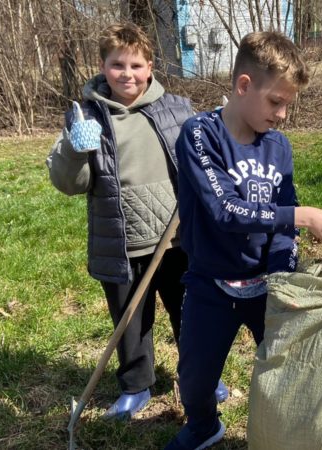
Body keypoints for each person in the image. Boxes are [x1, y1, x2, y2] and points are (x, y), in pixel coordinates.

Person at [165, 31, 322, 449]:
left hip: (266, 286)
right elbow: (226, 211)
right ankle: (203, 426)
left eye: (288, 105)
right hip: (210, 282)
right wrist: (302, 216)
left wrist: (283, 276)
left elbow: (283, 222)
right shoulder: (199, 135)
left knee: (291, 369)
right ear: (244, 85)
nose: (282, 114)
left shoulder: (278, 147)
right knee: (195, 376)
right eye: (276, 102)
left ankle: (290, 433)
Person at [45, 22, 228, 421]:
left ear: (150, 68)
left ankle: (203, 375)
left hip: (178, 238)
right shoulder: (87, 116)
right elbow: (69, 184)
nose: (127, 73)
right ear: (102, 66)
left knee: (191, 313)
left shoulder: (175, 108)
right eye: (117, 65)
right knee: (130, 323)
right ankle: (135, 387)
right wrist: (77, 150)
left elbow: (204, 159)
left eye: (136, 64)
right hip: (122, 239)